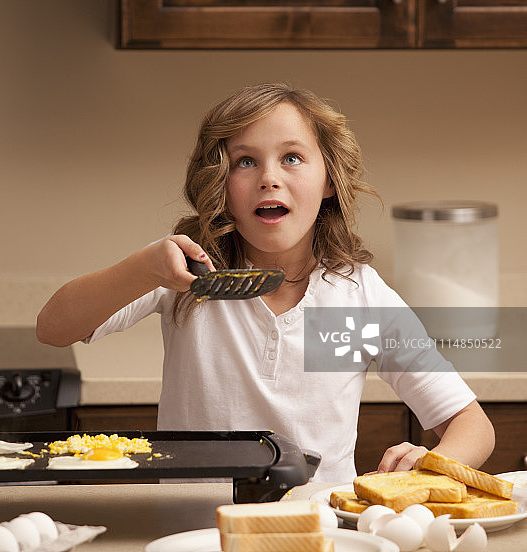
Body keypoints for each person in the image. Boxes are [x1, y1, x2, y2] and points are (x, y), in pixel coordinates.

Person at [36, 82, 494, 482]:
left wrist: (431, 464)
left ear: (329, 179)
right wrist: (143, 267)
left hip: (318, 531)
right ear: (220, 182)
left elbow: (472, 425)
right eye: (245, 162)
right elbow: (53, 328)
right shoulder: (186, 272)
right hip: (193, 527)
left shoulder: (359, 299)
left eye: (292, 157)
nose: (269, 178)